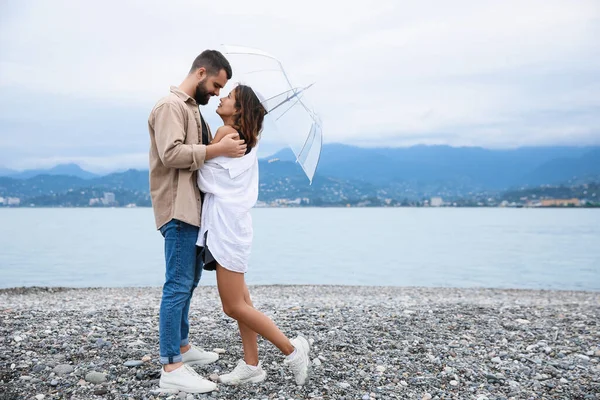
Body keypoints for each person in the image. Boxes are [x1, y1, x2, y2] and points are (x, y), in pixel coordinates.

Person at [196, 84, 311, 386]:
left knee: (233, 306)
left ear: (239, 110)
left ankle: (291, 350)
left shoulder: (225, 136)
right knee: (243, 301)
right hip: (236, 225)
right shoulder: (250, 139)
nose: (221, 97)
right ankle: (251, 365)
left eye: (229, 97)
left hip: (227, 227)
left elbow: (204, 171)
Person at [148, 50, 247, 394]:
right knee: (176, 285)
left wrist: (224, 139)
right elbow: (171, 154)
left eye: (222, 90)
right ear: (202, 72)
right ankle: (171, 366)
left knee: (188, 282)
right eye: (217, 85)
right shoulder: (170, 106)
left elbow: (203, 157)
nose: (218, 93)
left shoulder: (195, 111)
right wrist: (217, 150)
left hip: (195, 211)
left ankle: (183, 348)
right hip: (177, 209)